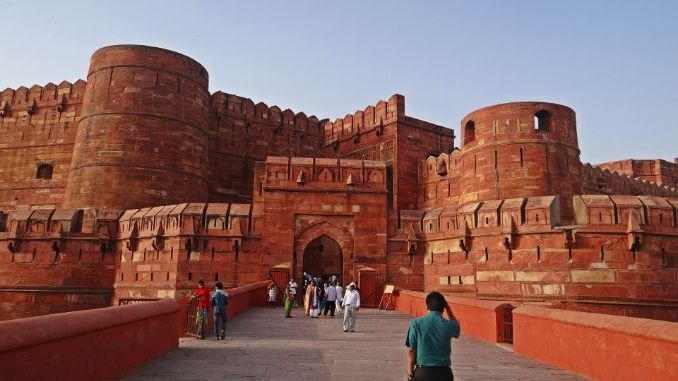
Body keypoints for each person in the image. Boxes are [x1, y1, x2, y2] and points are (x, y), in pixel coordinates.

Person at [405, 291, 460, 381]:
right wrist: (448, 308)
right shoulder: (449, 325)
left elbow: (411, 350)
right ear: (443, 308)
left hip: (424, 373)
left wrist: (410, 374)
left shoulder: (416, 323)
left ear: (427, 306)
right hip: (445, 374)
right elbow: (456, 330)